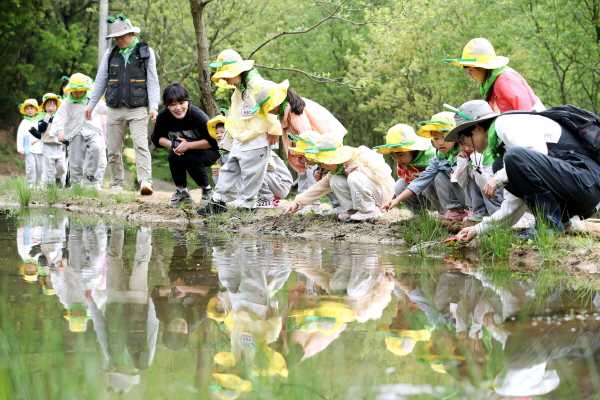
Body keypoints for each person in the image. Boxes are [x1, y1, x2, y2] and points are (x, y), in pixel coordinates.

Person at [447, 100, 600, 241]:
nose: (463, 143)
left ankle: (549, 225)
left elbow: (535, 151)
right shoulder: (504, 147)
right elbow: (514, 205)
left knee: (511, 160)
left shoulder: (506, 123)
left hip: (586, 185)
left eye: (462, 137)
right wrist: (477, 229)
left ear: (476, 127)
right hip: (577, 190)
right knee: (501, 164)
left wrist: (498, 178)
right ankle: (561, 221)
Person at [198, 50, 280, 216]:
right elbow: (235, 113)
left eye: (227, 76)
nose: (226, 80)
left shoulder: (258, 84)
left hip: (257, 137)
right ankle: (218, 201)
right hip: (242, 137)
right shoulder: (238, 91)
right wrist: (232, 131)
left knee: (252, 173)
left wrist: (273, 130)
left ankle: (249, 205)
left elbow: (272, 105)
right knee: (229, 168)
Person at [85, 14, 160, 195]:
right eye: (116, 37)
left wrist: (154, 106)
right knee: (113, 148)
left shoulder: (145, 51)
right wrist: (91, 105)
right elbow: (100, 81)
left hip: (138, 107)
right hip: (114, 107)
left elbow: (152, 81)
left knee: (141, 145)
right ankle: (116, 184)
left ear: (132, 34)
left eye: (123, 35)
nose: (119, 39)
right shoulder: (110, 53)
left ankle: (145, 182)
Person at [263, 79, 347, 214]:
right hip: (308, 145)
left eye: (267, 108)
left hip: (319, 143)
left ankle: (315, 204)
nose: (268, 112)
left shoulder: (294, 113)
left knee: (315, 172)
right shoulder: (286, 110)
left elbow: (306, 134)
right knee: (303, 170)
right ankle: (302, 203)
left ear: (274, 104)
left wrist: (306, 153)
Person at [285, 133, 395, 221]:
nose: (322, 165)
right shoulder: (338, 168)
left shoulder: (360, 156)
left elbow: (384, 175)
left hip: (381, 192)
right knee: (335, 180)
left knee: (355, 176)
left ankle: (369, 211)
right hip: (368, 191)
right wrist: (297, 202)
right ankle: (352, 210)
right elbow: (319, 187)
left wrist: (359, 170)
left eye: (324, 162)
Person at [380, 112, 469, 220]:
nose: (440, 142)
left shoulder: (468, 150)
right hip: (454, 196)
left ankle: (470, 211)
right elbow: (420, 181)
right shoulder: (438, 159)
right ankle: (453, 213)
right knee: (430, 177)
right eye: (436, 138)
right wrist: (396, 200)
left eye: (445, 137)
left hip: (469, 195)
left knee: (438, 175)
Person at [151, 82, 220, 207]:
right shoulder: (163, 117)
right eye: (173, 105)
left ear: (187, 102)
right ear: (167, 106)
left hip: (208, 150)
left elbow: (214, 142)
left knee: (190, 157)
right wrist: (174, 144)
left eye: (181, 103)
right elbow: (157, 139)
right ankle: (182, 193)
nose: (178, 108)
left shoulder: (197, 115)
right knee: (173, 156)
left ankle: (207, 191)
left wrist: (188, 145)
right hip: (184, 149)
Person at [443, 38, 545, 113]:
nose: (469, 75)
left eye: (469, 70)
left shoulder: (506, 79)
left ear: (482, 67)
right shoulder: (491, 83)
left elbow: (526, 111)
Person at [50, 73, 106, 189]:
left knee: (96, 149)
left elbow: (105, 109)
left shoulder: (92, 98)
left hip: (93, 130)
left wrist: (116, 111)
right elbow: (60, 118)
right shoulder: (67, 103)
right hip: (76, 132)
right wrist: (60, 132)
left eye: (81, 91)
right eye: (76, 92)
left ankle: (90, 176)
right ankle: (75, 183)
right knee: (75, 158)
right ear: (71, 91)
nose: (79, 94)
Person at [373, 123, 442, 215]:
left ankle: (445, 214)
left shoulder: (431, 157)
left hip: (440, 197)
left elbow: (444, 177)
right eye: (393, 156)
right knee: (399, 185)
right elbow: (406, 181)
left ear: (412, 150)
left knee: (427, 182)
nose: (397, 159)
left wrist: (425, 175)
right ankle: (420, 216)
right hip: (420, 196)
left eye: (400, 154)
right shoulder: (402, 163)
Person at [31, 93, 67, 186]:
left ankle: (58, 178)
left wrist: (65, 143)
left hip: (59, 146)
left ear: (56, 106)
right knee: (49, 168)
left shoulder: (60, 118)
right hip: (48, 146)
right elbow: (41, 130)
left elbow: (65, 130)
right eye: (48, 106)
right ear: (44, 107)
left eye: (53, 105)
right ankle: (48, 185)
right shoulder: (42, 119)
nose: (51, 108)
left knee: (62, 167)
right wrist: (46, 120)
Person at [16, 98, 43, 187]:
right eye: (27, 109)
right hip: (29, 149)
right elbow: (20, 136)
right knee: (30, 167)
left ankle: (40, 185)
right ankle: (30, 185)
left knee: (41, 168)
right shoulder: (24, 122)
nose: (29, 111)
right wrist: (21, 149)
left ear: (36, 109)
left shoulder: (40, 120)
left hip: (41, 148)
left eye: (31, 108)